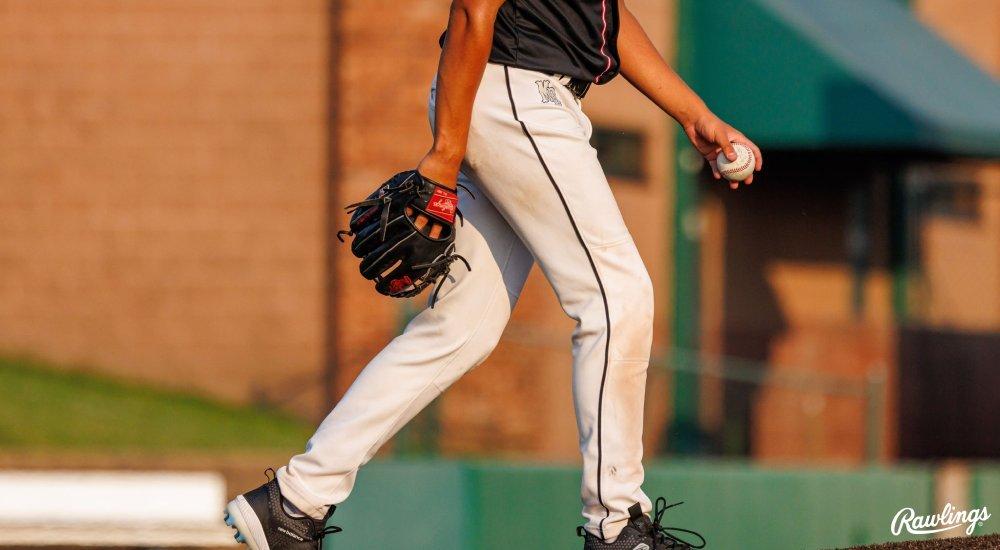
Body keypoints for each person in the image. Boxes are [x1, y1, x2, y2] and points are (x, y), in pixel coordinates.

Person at [224, 0, 761, 548]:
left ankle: (293, 502)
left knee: (462, 327)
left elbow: (608, 17)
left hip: (516, 96)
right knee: (616, 297)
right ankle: (617, 522)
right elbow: (472, 8)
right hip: (515, 93)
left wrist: (695, 114)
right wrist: (445, 153)